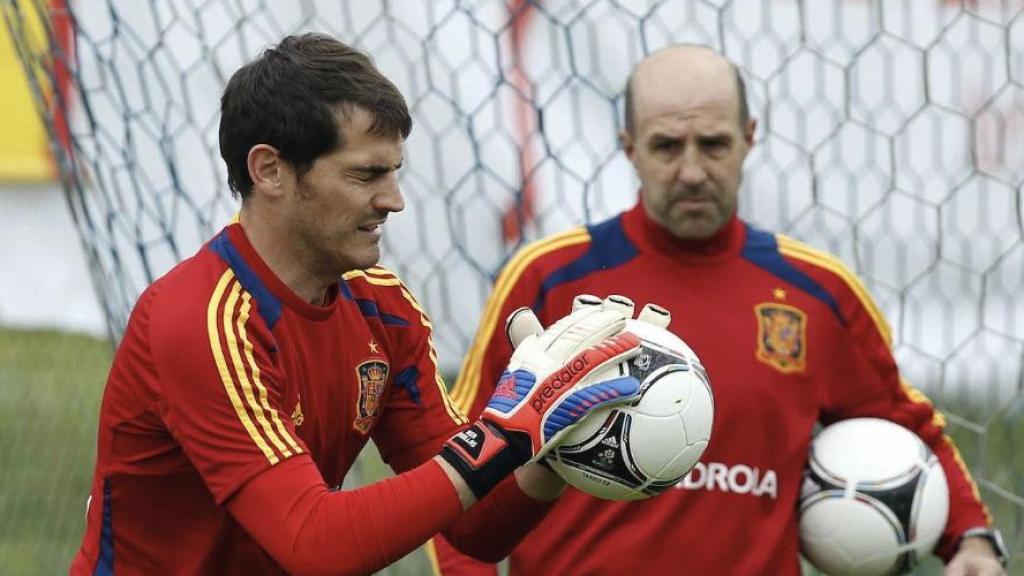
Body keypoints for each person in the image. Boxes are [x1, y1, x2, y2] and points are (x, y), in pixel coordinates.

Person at [69, 32, 664, 575]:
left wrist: (554, 445)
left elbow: (475, 530)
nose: (395, 200)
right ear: (270, 170)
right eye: (365, 175)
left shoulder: (384, 309)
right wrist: (503, 435)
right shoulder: (201, 320)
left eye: (395, 172)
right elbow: (316, 546)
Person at [432, 44, 1008, 575]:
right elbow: (460, 467)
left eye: (712, 144)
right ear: (628, 147)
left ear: (748, 136)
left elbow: (904, 425)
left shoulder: (817, 294)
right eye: (665, 146)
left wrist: (972, 539)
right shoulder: (548, 279)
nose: (691, 171)